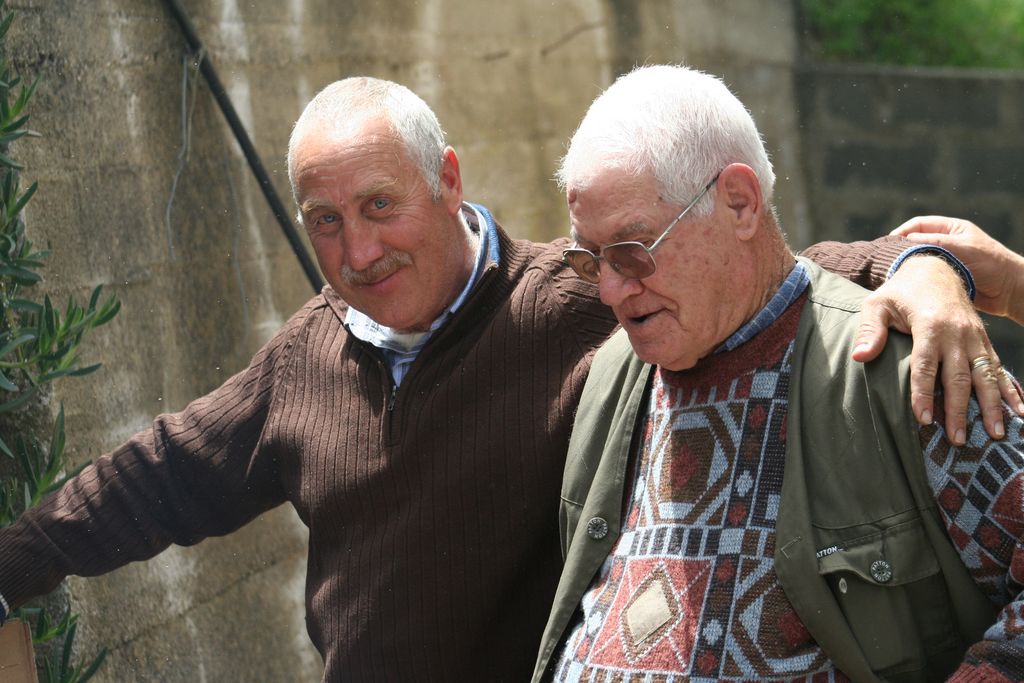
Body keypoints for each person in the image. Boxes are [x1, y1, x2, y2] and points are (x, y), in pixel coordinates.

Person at [0, 77, 1013, 682]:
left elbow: (777, 276)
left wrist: (928, 268)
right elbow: (161, 474)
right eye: (325, 221)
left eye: (381, 205)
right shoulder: (307, 355)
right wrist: (13, 560)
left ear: (448, 180)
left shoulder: (578, 304)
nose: (358, 250)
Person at [532, 65, 1024, 682]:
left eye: (633, 252)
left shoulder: (900, 368)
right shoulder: (614, 373)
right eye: (590, 259)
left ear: (740, 203)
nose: (608, 290)